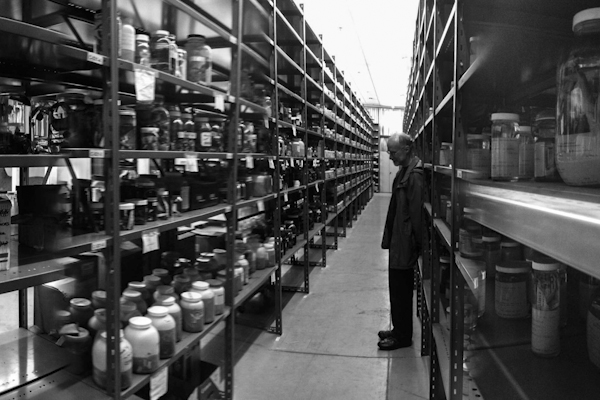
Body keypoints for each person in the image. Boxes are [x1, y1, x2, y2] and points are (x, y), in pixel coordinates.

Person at [378, 132, 425, 350]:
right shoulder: (404, 171)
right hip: (399, 239)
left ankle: (403, 337)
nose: (390, 157)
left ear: (406, 150)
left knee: (401, 290)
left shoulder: (414, 176)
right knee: (396, 288)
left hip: (405, 242)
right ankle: (398, 329)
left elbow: (416, 215)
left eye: (393, 152)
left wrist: (420, 246)